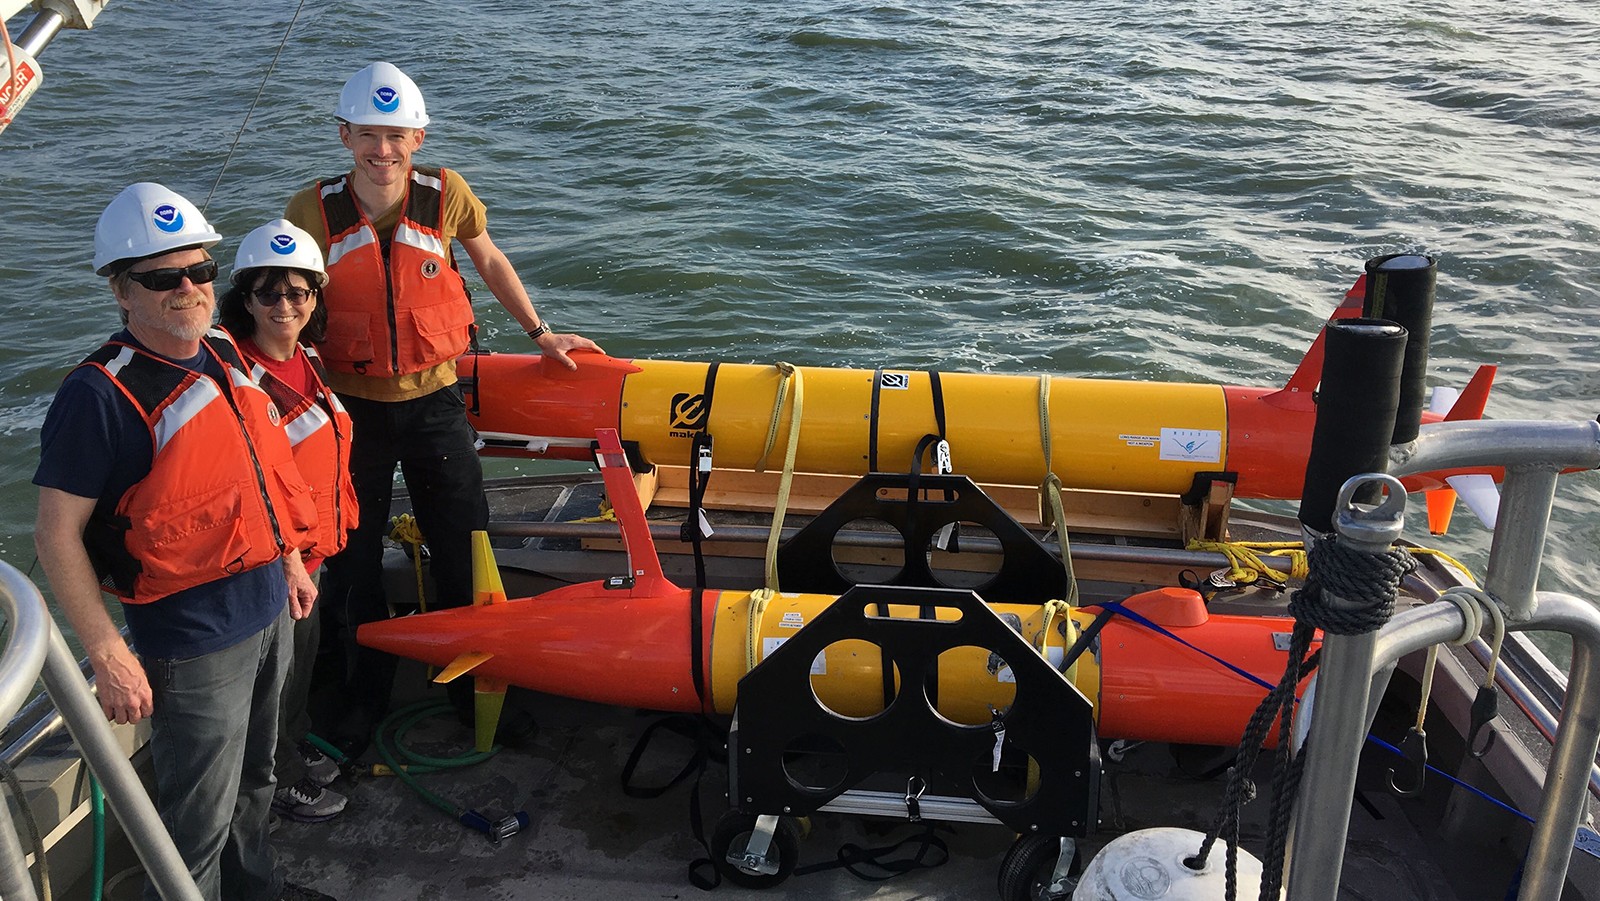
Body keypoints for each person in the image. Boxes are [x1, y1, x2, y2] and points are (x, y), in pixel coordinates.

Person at [284, 61, 601, 749]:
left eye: (397, 136)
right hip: (350, 412)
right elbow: (283, 300)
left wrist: (540, 333)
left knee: (464, 550)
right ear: (345, 137)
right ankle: (361, 697)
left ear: (418, 140)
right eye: (369, 134)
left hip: (435, 403)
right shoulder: (310, 210)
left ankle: (474, 691)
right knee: (352, 559)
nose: (383, 150)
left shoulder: (448, 195)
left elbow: (487, 258)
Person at [33, 183, 334, 901]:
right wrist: (107, 651)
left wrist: (290, 556)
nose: (188, 289)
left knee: (258, 780)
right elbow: (56, 533)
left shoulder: (224, 353)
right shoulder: (99, 394)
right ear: (120, 290)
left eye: (199, 271)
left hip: (268, 605)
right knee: (195, 816)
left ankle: (256, 891)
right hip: (192, 636)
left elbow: (259, 470)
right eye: (163, 278)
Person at [219, 219, 358, 824]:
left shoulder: (306, 358)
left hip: (313, 552)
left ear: (314, 299)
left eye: (298, 292)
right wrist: (289, 561)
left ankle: (293, 744)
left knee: (299, 669)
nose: (284, 305)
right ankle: (276, 780)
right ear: (244, 299)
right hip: (277, 561)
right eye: (268, 293)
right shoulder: (236, 376)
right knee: (270, 683)